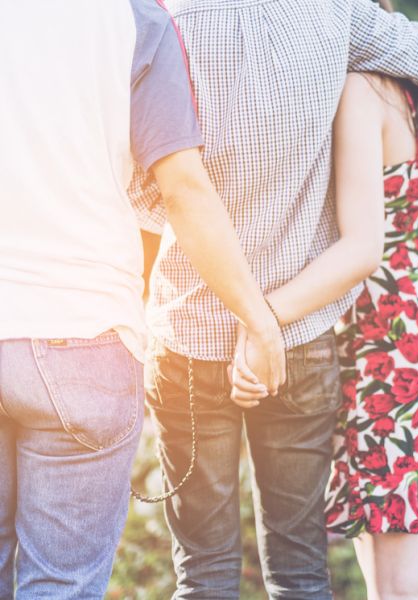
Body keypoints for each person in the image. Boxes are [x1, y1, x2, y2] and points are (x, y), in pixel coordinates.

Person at [131, 0, 418, 598]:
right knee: (299, 571)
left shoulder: (161, 15)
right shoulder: (335, 17)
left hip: (191, 327)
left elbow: (142, 191)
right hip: (305, 339)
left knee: (204, 569)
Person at [0, 2, 284, 598]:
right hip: (83, 327)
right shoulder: (133, 19)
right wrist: (258, 320)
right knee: (60, 584)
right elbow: (182, 187)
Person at [229, 4, 418, 599]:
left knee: (394, 572)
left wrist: (262, 314)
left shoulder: (357, 90)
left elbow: (360, 249)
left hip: (385, 343)